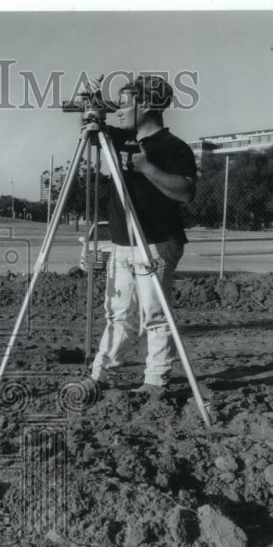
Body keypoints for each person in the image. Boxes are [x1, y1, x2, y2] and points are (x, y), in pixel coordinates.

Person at [86, 74, 197, 397]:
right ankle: (102, 375)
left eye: (123, 104)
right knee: (117, 315)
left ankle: (155, 381)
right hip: (122, 243)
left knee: (155, 315)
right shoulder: (121, 138)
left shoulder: (174, 147)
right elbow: (93, 131)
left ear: (146, 104)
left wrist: (147, 168)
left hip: (157, 242)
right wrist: (93, 107)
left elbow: (186, 192)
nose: (118, 111)